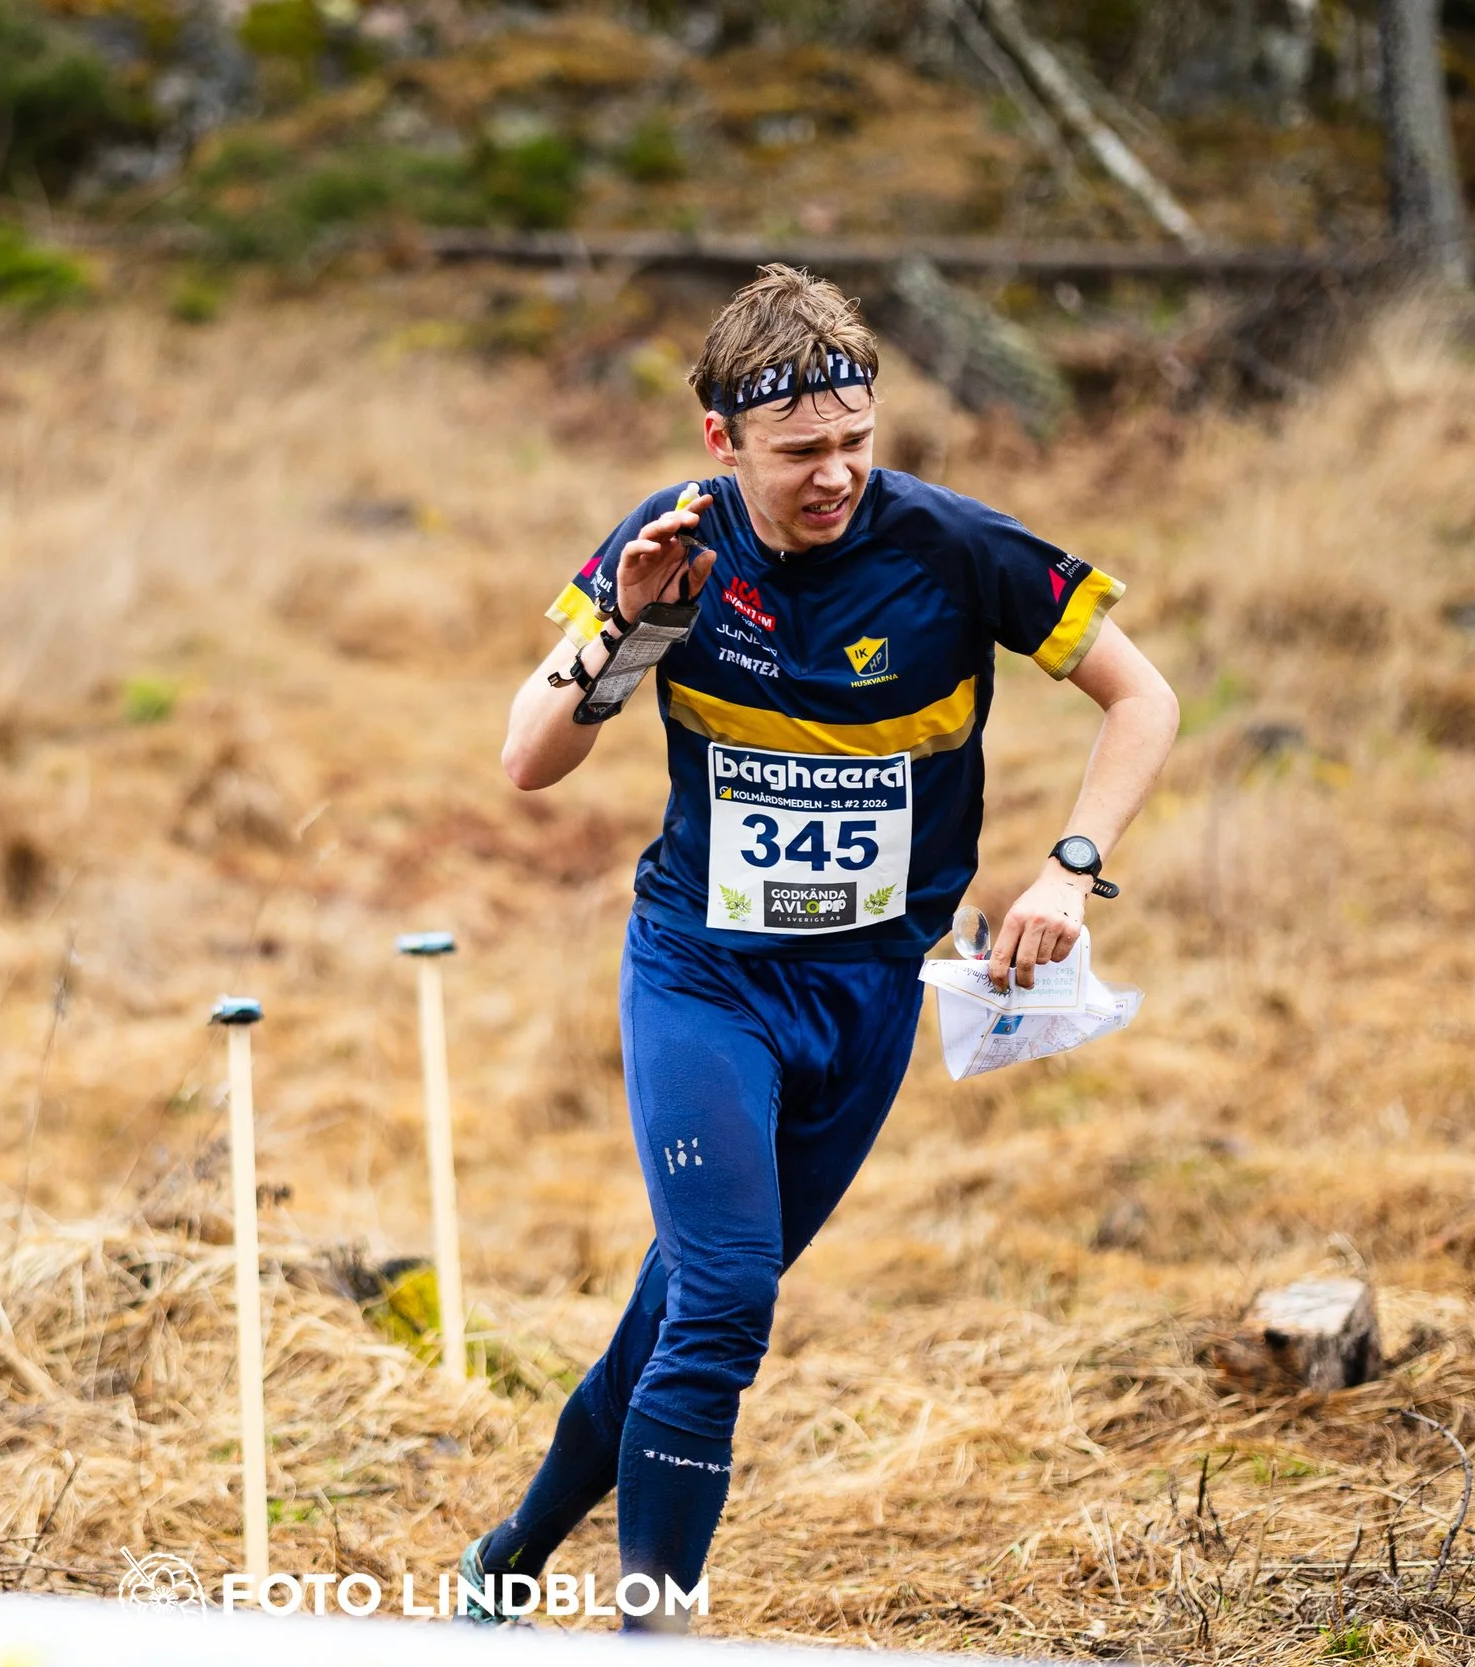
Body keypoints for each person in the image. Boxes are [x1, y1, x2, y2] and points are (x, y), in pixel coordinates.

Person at [464, 265, 1179, 1631]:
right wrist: (632, 623)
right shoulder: (671, 549)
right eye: (803, 453)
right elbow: (527, 760)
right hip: (705, 976)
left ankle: (510, 1550)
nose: (838, 474)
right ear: (724, 446)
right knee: (728, 1298)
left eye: (858, 441)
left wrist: (1070, 871)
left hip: (866, 999)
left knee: (681, 1303)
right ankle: (652, 1633)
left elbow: (1143, 699)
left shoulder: (953, 547)